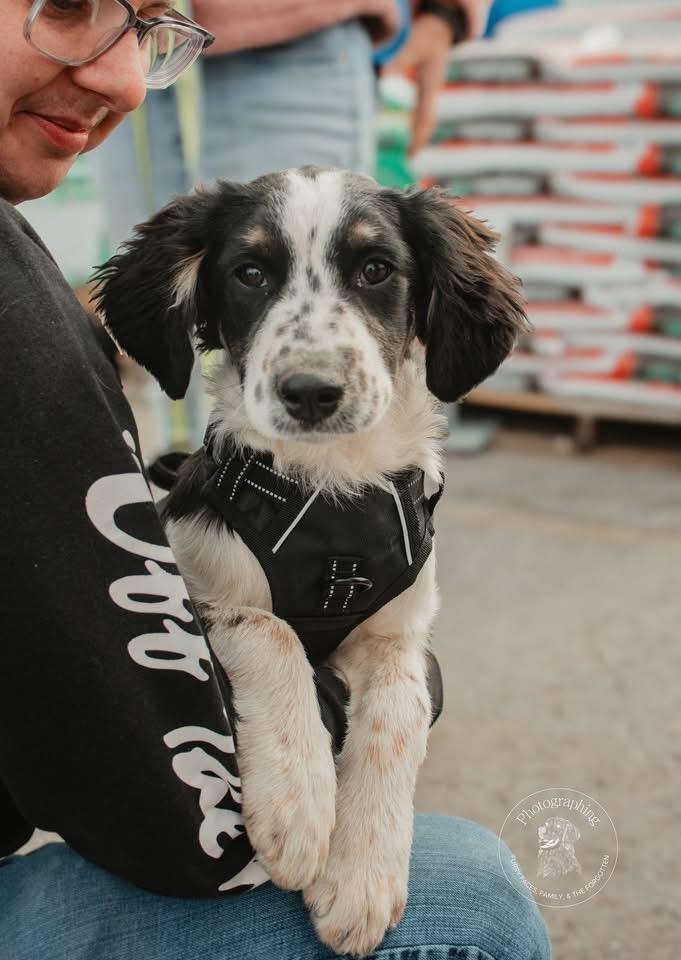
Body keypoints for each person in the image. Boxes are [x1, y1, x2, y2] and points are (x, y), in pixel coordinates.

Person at [0, 2, 552, 959]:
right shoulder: (30, 321)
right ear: (200, 303)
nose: (314, 353)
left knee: (405, 703)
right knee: (475, 906)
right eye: (64, 8)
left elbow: (393, 651)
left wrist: (383, 712)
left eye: (373, 271)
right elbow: (168, 813)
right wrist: (272, 667)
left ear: (428, 306)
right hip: (162, 810)